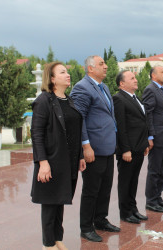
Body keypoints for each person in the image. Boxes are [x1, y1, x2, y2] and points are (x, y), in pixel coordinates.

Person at [30, 61, 86, 250]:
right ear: (52, 78)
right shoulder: (44, 100)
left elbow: (74, 131)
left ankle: (57, 239)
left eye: (67, 72)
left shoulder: (68, 100)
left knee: (60, 200)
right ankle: (48, 244)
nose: (67, 75)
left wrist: (79, 156)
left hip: (68, 161)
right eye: (62, 72)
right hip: (52, 160)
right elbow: (36, 133)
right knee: (50, 203)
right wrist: (42, 163)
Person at [70, 55, 119, 243]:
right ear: (90, 69)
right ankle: (86, 227)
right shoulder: (82, 88)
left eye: (105, 64)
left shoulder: (104, 87)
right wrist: (86, 145)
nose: (106, 67)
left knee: (105, 187)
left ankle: (100, 219)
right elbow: (78, 118)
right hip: (94, 148)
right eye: (101, 64)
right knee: (91, 190)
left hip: (107, 147)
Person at [113, 70, 150, 224]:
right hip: (128, 150)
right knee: (125, 182)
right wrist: (125, 149)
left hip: (139, 147)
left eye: (135, 78)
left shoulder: (136, 98)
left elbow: (141, 122)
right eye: (132, 78)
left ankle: (133, 209)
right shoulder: (119, 99)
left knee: (133, 181)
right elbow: (121, 126)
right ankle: (125, 212)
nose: (136, 80)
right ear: (122, 84)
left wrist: (145, 144)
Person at [142, 66, 163, 213]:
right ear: (153, 75)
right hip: (157, 136)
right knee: (154, 170)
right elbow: (148, 114)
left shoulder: (161, 90)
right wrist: (150, 136)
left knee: (162, 168)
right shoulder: (150, 90)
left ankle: (158, 197)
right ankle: (151, 200)